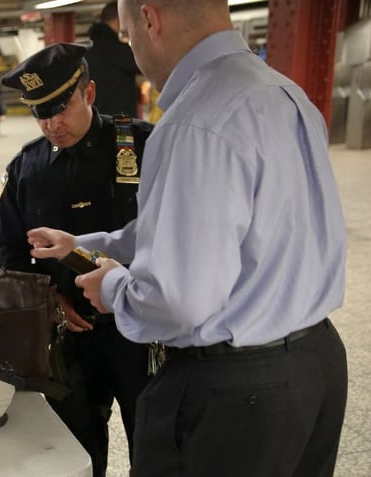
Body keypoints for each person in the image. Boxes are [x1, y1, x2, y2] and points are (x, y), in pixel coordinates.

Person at [28, 1, 348, 475]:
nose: (131, 47)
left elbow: (176, 303)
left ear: (150, 20)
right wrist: (81, 245)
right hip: (316, 364)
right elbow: (218, 229)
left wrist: (112, 289)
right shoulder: (284, 93)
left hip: (235, 394)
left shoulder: (193, 123)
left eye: (128, 34)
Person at [0, 43, 153, 477]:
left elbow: (172, 237)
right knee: (77, 453)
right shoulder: (28, 167)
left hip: (141, 331)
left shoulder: (140, 145)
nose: (51, 124)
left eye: (61, 107)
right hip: (71, 337)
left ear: (90, 93)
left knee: (156, 445)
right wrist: (49, 300)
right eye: (39, 113)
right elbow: (6, 248)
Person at [85, 1, 140, 117]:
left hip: (97, 121)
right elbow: (149, 66)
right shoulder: (120, 50)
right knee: (124, 136)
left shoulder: (87, 51)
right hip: (121, 121)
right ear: (118, 21)